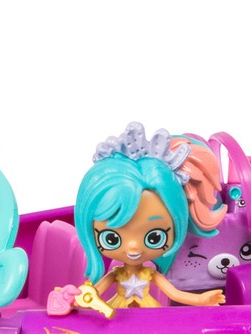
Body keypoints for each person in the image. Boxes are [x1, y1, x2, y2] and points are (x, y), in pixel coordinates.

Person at [75, 122, 225, 309]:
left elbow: (175, 294)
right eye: (111, 239)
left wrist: (201, 300)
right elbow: (91, 294)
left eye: (154, 237)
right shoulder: (116, 275)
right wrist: (74, 300)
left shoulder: (150, 275)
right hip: (119, 312)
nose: (133, 247)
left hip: (149, 314)